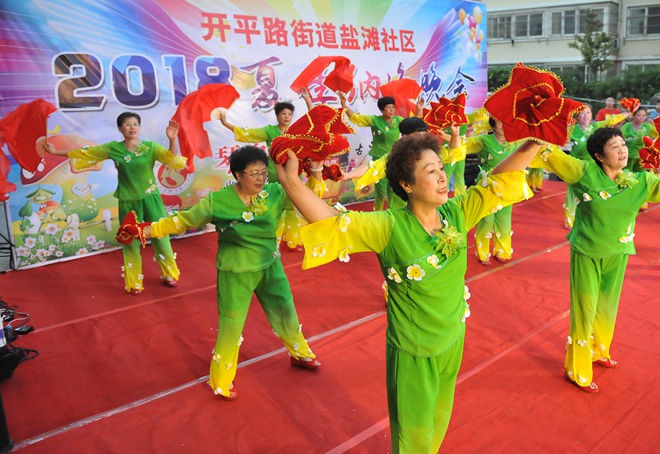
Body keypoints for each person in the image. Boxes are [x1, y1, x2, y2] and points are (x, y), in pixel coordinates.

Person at [276, 133, 541, 452]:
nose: (443, 176)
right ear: (407, 185)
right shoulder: (389, 226)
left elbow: (497, 182)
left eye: (441, 167)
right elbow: (333, 222)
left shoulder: (456, 213)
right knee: (412, 441)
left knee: (437, 427)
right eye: (430, 171)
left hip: (453, 340)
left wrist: (535, 141)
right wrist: (291, 182)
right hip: (413, 352)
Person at [120, 146, 321, 400]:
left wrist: (315, 170)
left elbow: (307, 199)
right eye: (254, 173)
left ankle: (300, 354)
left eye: (263, 172)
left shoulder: (274, 193)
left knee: (286, 311)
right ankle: (221, 381)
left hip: (270, 265)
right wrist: (142, 231)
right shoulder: (218, 202)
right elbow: (181, 220)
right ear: (238, 175)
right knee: (231, 326)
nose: (260, 178)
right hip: (235, 271)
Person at [531, 128, 660, 393]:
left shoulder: (640, 181)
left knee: (606, 308)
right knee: (585, 310)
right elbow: (548, 153)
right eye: (614, 146)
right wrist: (537, 129)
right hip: (587, 253)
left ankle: (599, 350)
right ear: (599, 156)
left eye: (623, 144)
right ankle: (576, 369)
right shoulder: (582, 172)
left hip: (619, 253)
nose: (623, 150)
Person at [46, 113, 185, 295]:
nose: (132, 127)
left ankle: (169, 274)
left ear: (139, 127)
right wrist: (55, 152)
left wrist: (172, 140)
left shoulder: (150, 148)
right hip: (128, 202)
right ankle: (134, 282)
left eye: (135, 124)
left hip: (152, 200)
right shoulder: (114, 148)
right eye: (127, 124)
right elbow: (85, 152)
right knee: (130, 242)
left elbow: (170, 159)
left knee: (161, 237)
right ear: (120, 128)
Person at [220, 88, 313, 250]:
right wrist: (225, 123)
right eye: (283, 114)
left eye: (289, 114)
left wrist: (307, 100)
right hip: (275, 174)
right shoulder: (269, 131)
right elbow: (246, 133)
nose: (286, 117)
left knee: (292, 206)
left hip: (294, 175)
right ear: (277, 115)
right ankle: (272, 240)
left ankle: (292, 241)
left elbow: (314, 124)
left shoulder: (296, 132)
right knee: (274, 208)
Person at [464, 118, 520, 265]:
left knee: (503, 219)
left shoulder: (515, 142)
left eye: (505, 123)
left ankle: (502, 251)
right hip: (487, 184)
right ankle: (483, 254)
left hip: (507, 185)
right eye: (500, 123)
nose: (503, 126)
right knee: (486, 219)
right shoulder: (484, 140)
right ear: (493, 126)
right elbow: (465, 145)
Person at [563, 105, 626, 228]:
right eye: (582, 113)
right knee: (572, 192)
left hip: (592, 165)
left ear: (592, 115)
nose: (585, 115)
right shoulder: (570, 129)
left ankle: (590, 216)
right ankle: (570, 219)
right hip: (575, 164)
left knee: (591, 191)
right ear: (577, 116)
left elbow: (611, 121)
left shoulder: (595, 127)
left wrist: (628, 113)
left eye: (588, 113)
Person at [341, 93, 405, 211]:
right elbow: (356, 117)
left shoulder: (398, 120)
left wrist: (419, 110)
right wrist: (344, 105)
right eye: (388, 107)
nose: (391, 110)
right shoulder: (375, 120)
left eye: (393, 107)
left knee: (394, 190)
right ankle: (378, 213)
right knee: (381, 192)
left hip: (395, 159)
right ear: (382, 109)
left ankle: (394, 213)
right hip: (379, 160)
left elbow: (410, 124)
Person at [620, 107, 657, 173]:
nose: (641, 118)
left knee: (641, 175)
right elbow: (619, 138)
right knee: (626, 175)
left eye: (643, 116)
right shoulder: (626, 127)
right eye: (638, 115)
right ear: (633, 115)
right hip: (628, 156)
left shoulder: (647, 127)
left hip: (641, 157)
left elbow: (659, 135)